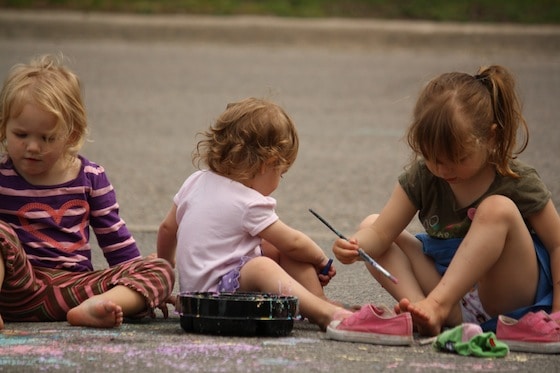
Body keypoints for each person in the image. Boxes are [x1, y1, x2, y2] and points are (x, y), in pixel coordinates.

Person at [332, 65, 560, 336]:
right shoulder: (424, 176)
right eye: (433, 158)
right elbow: (381, 234)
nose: (443, 170)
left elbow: (557, 243)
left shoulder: (516, 180)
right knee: (370, 223)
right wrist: (355, 247)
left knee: (497, 209)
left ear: (491, 137)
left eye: (458, 159)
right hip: (453, 298)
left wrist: (557, 313)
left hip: (505, 298)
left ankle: (435, 306)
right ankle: (424, 312)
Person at [0, 54, 175, 330]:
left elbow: (115, 240)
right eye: (21, 135)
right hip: (15, 287)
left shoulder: (90, 177)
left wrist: (143, 286)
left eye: (47, 138)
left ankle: (98, 307)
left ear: (71, 134)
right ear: (4, 127)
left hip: (73, 289)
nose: (32, 147)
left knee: (160, 268)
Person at [157, 97, 355, 331]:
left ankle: (317, 302)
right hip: (220, 302)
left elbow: (168, 228)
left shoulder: (195, 181)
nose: (279, 181)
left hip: (193, 300)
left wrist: (166, 264)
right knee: (263, 265)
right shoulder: (249, 202)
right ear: (266, 164)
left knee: (272, 247)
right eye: (281, 173)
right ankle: (323, 312)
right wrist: (321, 259)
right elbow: (293, 242)